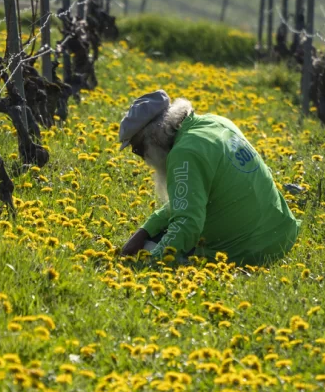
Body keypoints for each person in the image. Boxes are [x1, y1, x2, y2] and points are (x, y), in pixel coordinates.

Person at [118, 89, 300, 265]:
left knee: (146, 251)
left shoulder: (185, 153)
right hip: (279, 234)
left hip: (247, 250)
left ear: (154, 137)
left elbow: (187, 224)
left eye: (138, 149)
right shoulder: (215, 122)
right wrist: (145, 230)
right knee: (151, 238)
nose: (143, 158)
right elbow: (192, 197)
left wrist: (150, 263)